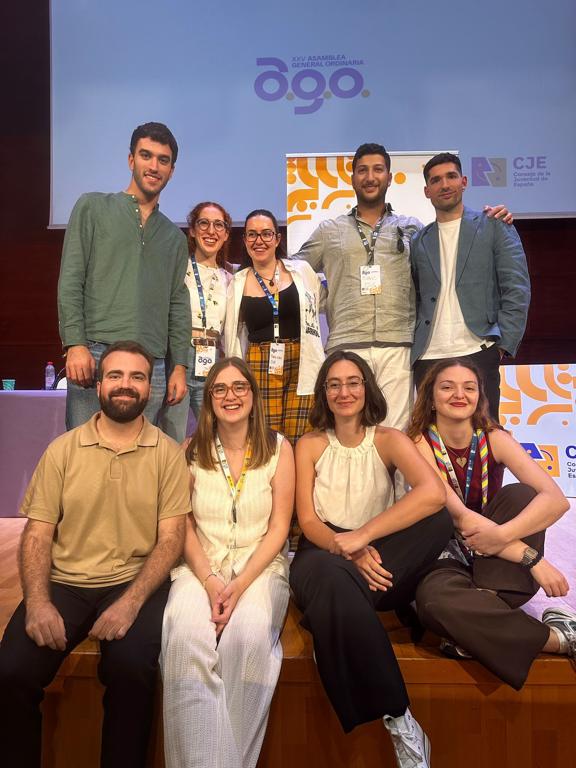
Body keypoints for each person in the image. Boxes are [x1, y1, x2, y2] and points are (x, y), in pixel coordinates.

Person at [0, 341, 190, 768]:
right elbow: (37, 535)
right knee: (10, 673)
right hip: (66, 582)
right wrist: (38, 602)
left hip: (135, 581)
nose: (126, 385)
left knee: (132, 674)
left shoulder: (167, 454)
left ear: (150, 388)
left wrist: (131, 603)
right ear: (99, 384)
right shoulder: (62, 450)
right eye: (116, 376)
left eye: (137, 377)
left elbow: (171, 539)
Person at [289, 350, 452, 768]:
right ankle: (399, 718)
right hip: (324, 551)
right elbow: (308, 520)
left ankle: (333, 609)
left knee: (439, 520)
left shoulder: (389, 438)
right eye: (334, 384)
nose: (344, 392)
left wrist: (363, 538)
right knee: (329, 577)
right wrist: (346, 545)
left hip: (378, 553)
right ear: (323, 393)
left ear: (367, 388)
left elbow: (432, 493)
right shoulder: (307, 445)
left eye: (353, 382)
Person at [295, 142, 512, 433]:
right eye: (362, 171)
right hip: (346, 344)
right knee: (346, 432)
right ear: (352, 178)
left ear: (389, 177)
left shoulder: (414, 229)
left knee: (396, 434)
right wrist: (326, 297)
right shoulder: (328, 231)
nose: (370, 177)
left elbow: (438, 277)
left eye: (377, 170)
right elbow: (295, 273)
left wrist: (498, 217)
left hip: (398, 345)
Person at [407, 358, 576, 688]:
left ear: (479, 396)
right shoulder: (417, 442)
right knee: (432, 603)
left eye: (468, 387)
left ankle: (474, 624)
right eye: (447, 387)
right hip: (443, 556)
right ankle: (557, 637)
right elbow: (459, 517)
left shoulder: (494, 437)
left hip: (495, 567)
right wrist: (532, 558)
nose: (459, 394)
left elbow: (555, 499)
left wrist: (501, 537)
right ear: (430, 397)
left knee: (523, 495)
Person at [161, 357, 295, 768]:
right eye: (220, 389)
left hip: (260, 568)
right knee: (184, 640)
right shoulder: (190, 450)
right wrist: (209, 579)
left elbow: (279, 528)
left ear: (253, 397)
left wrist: (238, 585)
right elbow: (182, 521)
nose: (230, 396)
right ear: (210, 400)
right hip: (200, 567)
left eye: (239, 387)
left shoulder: (279, 448)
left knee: (249, 637)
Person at [57, 121, 191, 436]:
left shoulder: (173, 237)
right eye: (146, 155)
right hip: (96, 354)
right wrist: (75, 343)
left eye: (163, 160)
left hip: (153, 365)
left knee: (142, 464)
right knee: (86, 456)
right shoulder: (92, 207)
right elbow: (71, 280)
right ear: (131, 160)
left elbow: (177, 304)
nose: (154, 166)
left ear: (172, 170)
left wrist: (180, 367)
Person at [410, 152, 531, 421]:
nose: (445, 185)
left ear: (464, 181)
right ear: (427, 190)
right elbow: (414, 297)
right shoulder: (419, 240)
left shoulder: (494, 225)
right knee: (432, 444)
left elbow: (517, 287)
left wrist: (501, 346)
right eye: (436, 180)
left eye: (451, 176)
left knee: (486, 438)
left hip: (478, 350)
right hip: (429, 355)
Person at [225, 209, 324, 444]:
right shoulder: (238, 282)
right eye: (252, 235)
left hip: (301, 360)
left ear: (278, 239)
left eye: (266, 234)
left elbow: (319, 302)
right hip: (259, 361)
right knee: (265, 436)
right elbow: (232, 332)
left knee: (302, 434)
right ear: (245, 240)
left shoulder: (302, 272)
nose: (259, 241)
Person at [160, 201, 233, 438]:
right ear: (192, 230)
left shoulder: (231, 279)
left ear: (226, 234)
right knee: (173, 436)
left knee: (215, 436)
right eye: (204, 223)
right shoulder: (178, 270)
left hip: (213, 361)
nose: (211, 231)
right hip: (179, 357)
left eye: (218, 225)